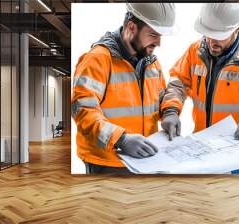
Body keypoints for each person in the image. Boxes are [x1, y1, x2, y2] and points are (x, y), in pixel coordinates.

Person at [161, 3, 239, 174]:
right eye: (208, 34)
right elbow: (178, 84)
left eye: (219, 36)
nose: (212, 41)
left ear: (237, 29)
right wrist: (171, 111)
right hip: (202, 149)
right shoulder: (194, 52)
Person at [71, 3, 176, 174]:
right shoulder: (97, 60)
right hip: (108, 162)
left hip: (147, 159)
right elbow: (83, 111)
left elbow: (162, 96)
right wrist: (121, 139)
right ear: (131, 27)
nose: (158, 43)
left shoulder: (151, 62)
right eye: (153, 35)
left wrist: (170, 112)